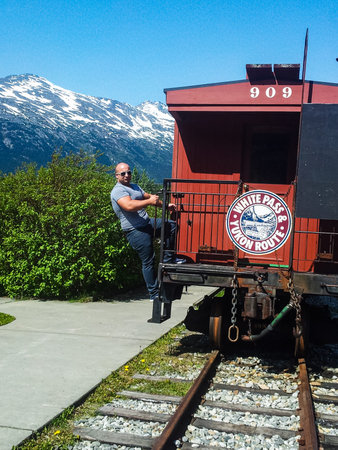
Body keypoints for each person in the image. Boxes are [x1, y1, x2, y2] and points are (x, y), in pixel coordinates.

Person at [110, 162, 178, 302]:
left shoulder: (134, 187)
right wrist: (149, 202)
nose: (127, 175)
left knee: (171, 226)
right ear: (117, 176)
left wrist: (165, 205)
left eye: (129, 172)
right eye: (123, 174)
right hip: (135, 230)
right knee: (148, 261)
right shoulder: (118, 191)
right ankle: (154, 294)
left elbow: (149, 197)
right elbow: (129, 206)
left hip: (147, 223)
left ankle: (168, 260)